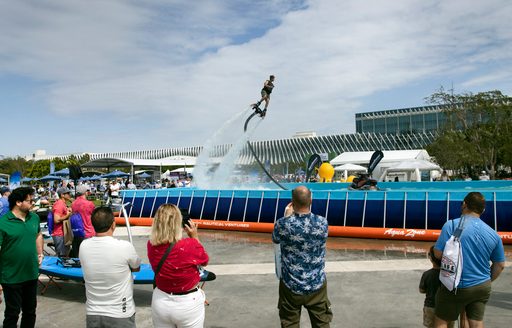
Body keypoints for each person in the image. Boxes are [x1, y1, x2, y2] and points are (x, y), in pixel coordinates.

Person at [433, 192, 506, 328]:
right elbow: (500, 265)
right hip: (482, 286)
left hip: (456, 286)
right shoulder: (493, 234)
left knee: (442, 320)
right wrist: (486, 280)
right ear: (483, 210)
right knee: (476, 322)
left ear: (464, 205)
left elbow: (437, 253)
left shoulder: (451, 225)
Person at [272, 186, 332, 327]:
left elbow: (275, 240)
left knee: (290, 323)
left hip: (290, 285)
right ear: (311, 200)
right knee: (322, 323)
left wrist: (287, 217)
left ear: (292, 202)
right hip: (316, 283)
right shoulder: (322, 222)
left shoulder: (282, 224)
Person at [147, 204, 209, 328]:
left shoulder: (151, 244)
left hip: (160, 301)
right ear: (178, 222)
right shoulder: (189, 245)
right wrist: (194, 237)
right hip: (187, 303)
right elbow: (204, 260)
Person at [79, 207, 141, 328]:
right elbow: (136, 267)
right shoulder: (124, 246)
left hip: (93, 313)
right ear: (113, 224)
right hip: (120, 313)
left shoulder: (84, 246)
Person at [0, 187, 43, 328]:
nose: (33, 203)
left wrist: (40, 253)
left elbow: (38, 235)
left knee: (30, 312)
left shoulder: (34, 217)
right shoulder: (3, 223)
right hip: (11, 277)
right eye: (30, 200)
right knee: (12, 313)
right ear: (18, 202)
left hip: (31, 274)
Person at [419, 246, 454, 328]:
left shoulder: (427, 274)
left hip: (431, 306)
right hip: (448, 306)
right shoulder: (450, 274)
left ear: (431, 259)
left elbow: (421, 290)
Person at [70, 184, 96, 257]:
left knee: (78, 256)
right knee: (89, 256)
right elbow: (95, 216)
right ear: (85, 192)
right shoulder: (89, 204)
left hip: (77, 232)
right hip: (88, 232)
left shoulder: (73, 203)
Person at [51, 187, 73, 257]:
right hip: (59, 234)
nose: (70, 195)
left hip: (62, 233)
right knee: (62, 257)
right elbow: (56, 220)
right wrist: (68, 214)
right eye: (68, 193)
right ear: (62, 195)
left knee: (65, 255)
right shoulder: (59, 204)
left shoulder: (62, 203)